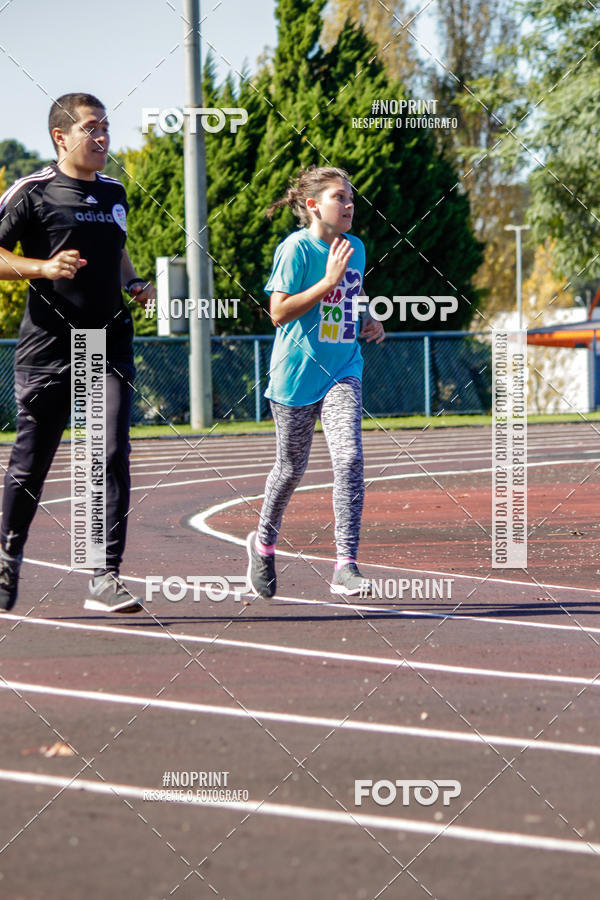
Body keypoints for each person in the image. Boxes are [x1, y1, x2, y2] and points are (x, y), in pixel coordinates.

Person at [0, 92, 154, 614]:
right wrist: (42, 268)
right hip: (49, 346)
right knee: (32, 460)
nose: (103, 137)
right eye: (91, 128)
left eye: (107, 127)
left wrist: (133, 281)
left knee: (108, 453)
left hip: (107, 341)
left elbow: (118, 247)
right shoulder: (33, 191)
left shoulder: (114, 191)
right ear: (60, 137)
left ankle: (103, 575)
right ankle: (7, 556)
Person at [246, 165, 384, 599]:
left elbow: (351, 298)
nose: (349, 205)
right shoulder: (296, 251)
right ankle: (264, 544)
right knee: (290, 470)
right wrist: (325, 282)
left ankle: (345, 564)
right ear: (312, 206)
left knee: (349, 459)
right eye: (339, 198)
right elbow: (278, 312)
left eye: (350, 198)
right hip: (295, 378)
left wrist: (368, 318)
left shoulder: (355, 248)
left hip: (344, 368)